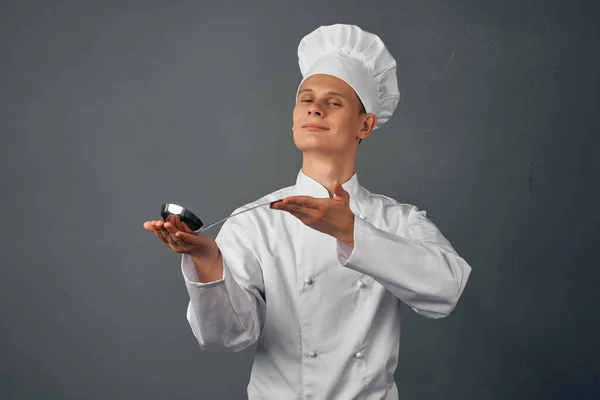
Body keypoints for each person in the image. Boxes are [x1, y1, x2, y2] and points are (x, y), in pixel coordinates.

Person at [143, 24, 472, 400]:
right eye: (306, 98)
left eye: (334, 102)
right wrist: (205, 259)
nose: (315, 107)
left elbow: (447, 291)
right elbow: (226, 338)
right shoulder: (254, 221)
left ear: (365, 125)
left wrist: (350, 231)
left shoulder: (397, 221)